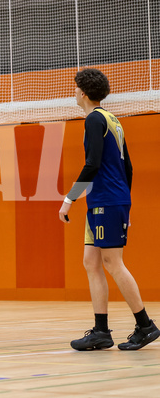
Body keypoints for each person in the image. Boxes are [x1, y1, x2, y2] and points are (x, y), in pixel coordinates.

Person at [59, 68, 159, 351]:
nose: (73, 92)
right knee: (91, 262)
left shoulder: (93, 119)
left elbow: (92, 164)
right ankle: (101, 331)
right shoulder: (112, 120)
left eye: (75, 88)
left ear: (84, 92)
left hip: (106, 200)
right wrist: (124, 204)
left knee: (113, 263)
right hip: (107, 200)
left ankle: (145, 325)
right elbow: (128, 167)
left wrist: (69, 199)